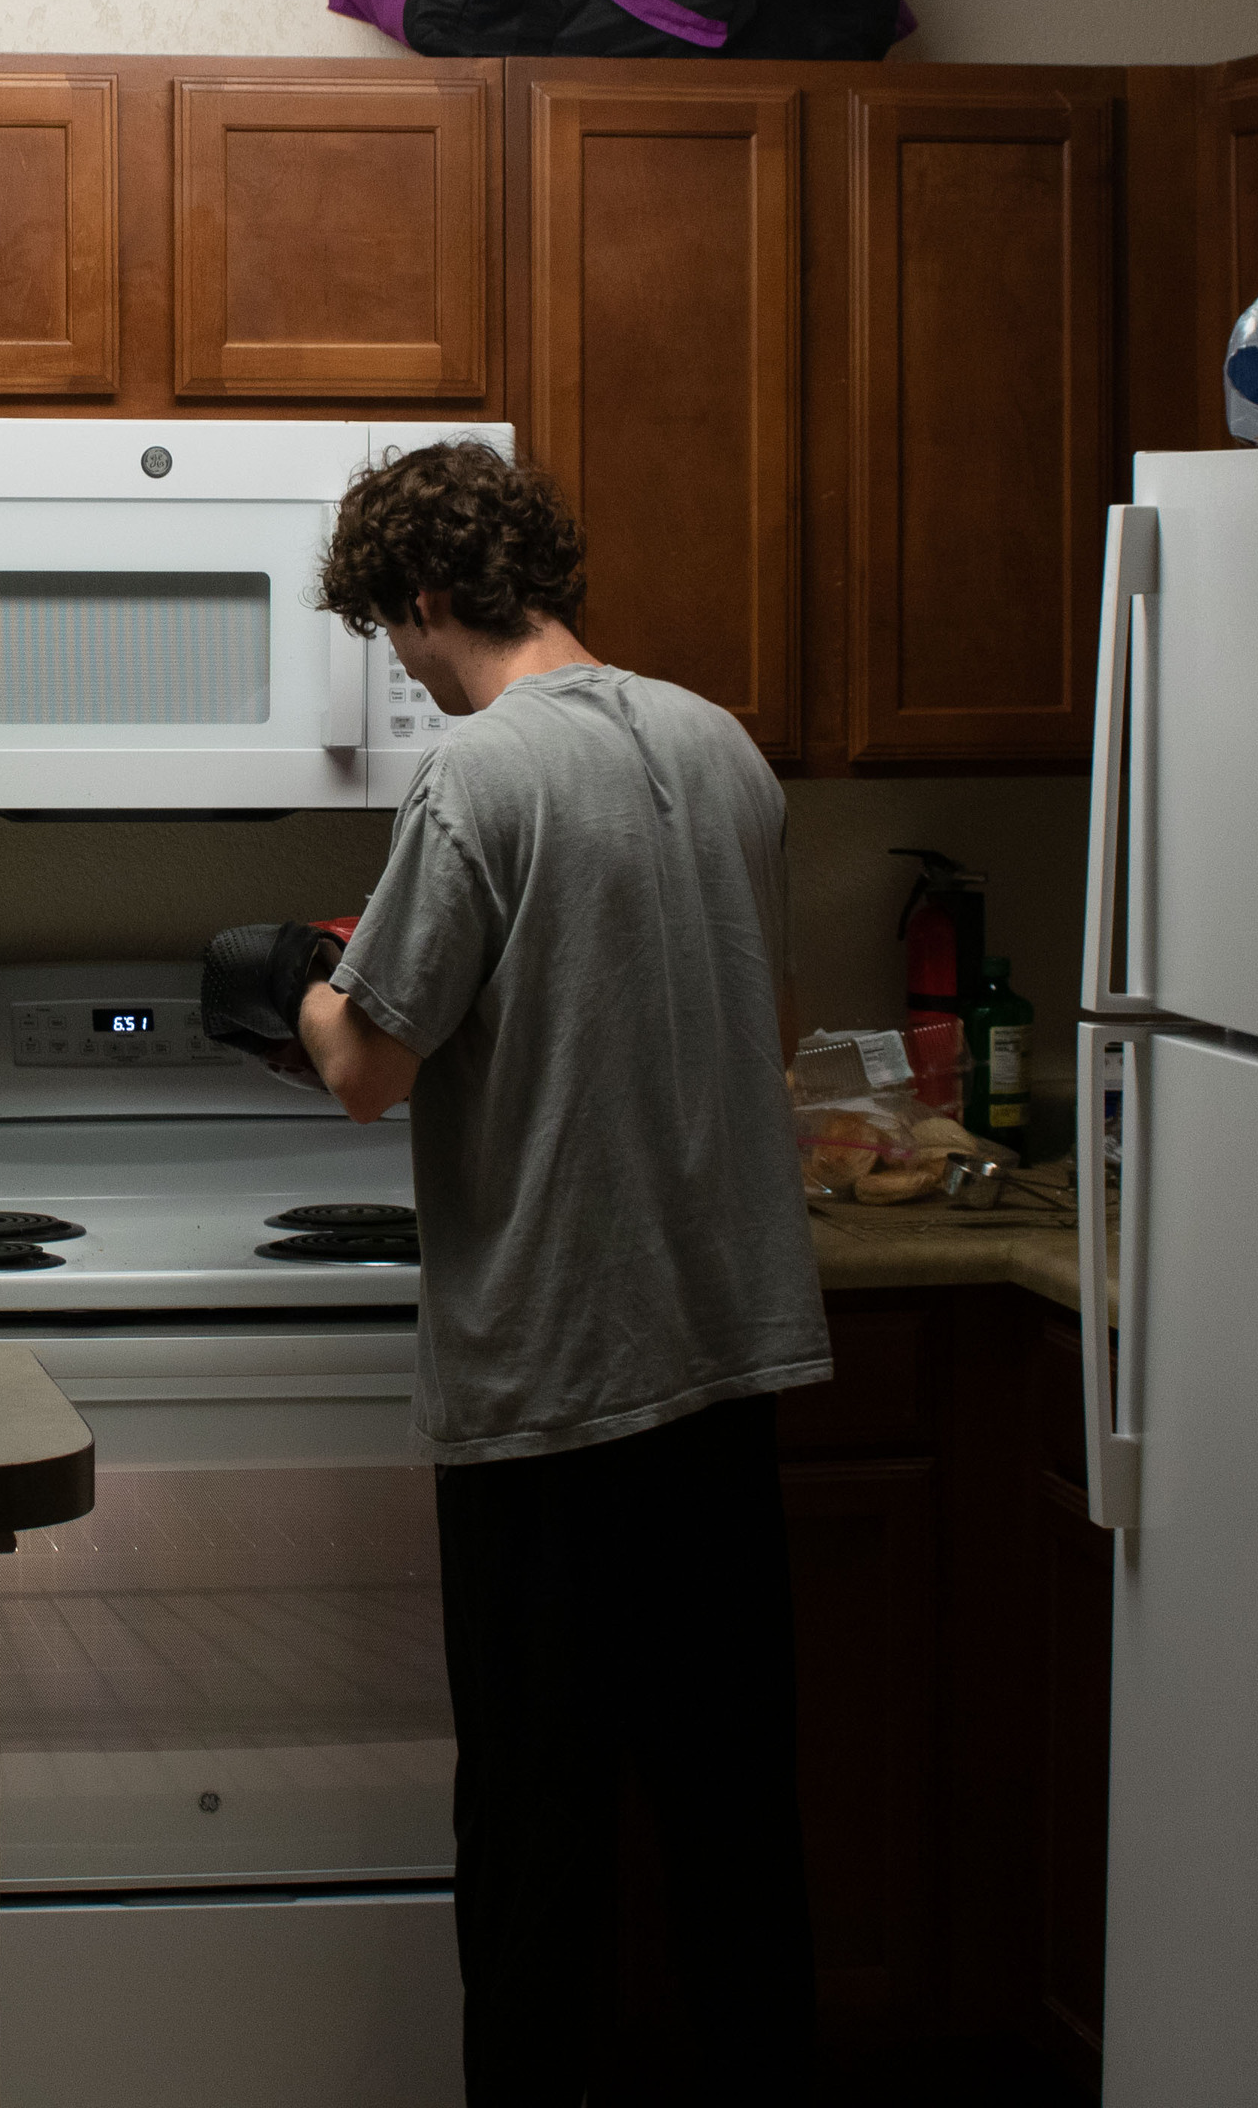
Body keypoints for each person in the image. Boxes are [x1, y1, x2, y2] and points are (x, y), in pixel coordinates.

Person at [204, 438, 825, 2106]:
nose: (403, 675)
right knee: (734, 1840)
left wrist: (298, 983)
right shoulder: (723, 747)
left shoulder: (475, 781)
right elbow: (765, 1035)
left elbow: (369, 1069)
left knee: (540, 1862)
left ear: (426, 600)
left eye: (393, 640)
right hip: (728, 1370)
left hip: (556, 1389)